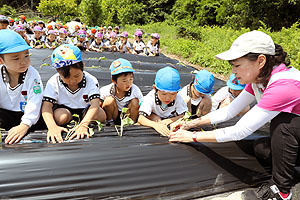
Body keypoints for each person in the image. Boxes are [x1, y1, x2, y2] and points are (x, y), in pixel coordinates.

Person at [169, 30, 298, 200]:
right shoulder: (259, 80)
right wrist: (190, 124)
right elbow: (231, 111)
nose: (233, 71)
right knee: (261, 149)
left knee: (283, 124)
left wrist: (192, 137)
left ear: (260, 61)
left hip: (292, 130)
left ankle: (282, 191)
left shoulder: (284, 85)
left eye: (237, 65)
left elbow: (240, 131)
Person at [42, 44, 106, 143]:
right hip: (64, 109)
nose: (72, 81)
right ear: (58, 72)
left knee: (100, 115)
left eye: (76, 76)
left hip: (85, 110)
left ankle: (85, 120)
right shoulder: (53, 82)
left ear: (82, 67)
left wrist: (84, 125)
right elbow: (46, 106)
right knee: (62, 117)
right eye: (67, 78)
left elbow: (95, 104)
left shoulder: (91, 80)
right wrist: (52, 127)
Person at [0, 30, 44, 144]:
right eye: (16, 58)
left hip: (26, 116)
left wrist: (25, 125)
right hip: (5, 115)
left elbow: (35, 101)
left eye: (26, 55)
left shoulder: (32, 75)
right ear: (1, 60)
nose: (24, 62)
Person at [138, 66, 188, 136]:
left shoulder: (178, 98)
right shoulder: (150, 98)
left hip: (168, 118)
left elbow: (183, 115)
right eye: (163, 94)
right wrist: (155, 125)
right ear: (155, 89)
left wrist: (169, 121)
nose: (168, 98)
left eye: (172, 94)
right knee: (156, 119)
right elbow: (140, 118)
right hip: (154, 116)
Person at [100, 58, 143, 125]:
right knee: (109, 100)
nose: (128, 83)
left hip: (127, 115)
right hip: (113, 114)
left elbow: (142, 104)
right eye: (124, 81)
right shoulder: (105, 90)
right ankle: (110, 122)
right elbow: (99, 104)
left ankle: (131, 124)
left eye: (131, 79)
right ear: (114, 81)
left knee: (135, 102)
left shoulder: (135, 90)